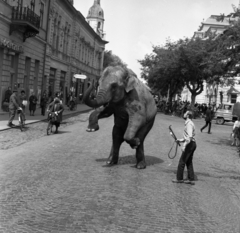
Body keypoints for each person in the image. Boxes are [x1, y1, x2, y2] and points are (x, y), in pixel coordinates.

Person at [172, 110, 197, 185]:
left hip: (190, 144)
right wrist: (180, 140)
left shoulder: (189, 124)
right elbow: (187, 137)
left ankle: (179, 178)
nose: (184, 114)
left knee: (182, 162)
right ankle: (191, 179)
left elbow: (189, 138)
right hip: (192, 144)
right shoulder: (189, 123)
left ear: (188, 116)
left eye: (185, 113)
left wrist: (184, 145)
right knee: (188, 162)